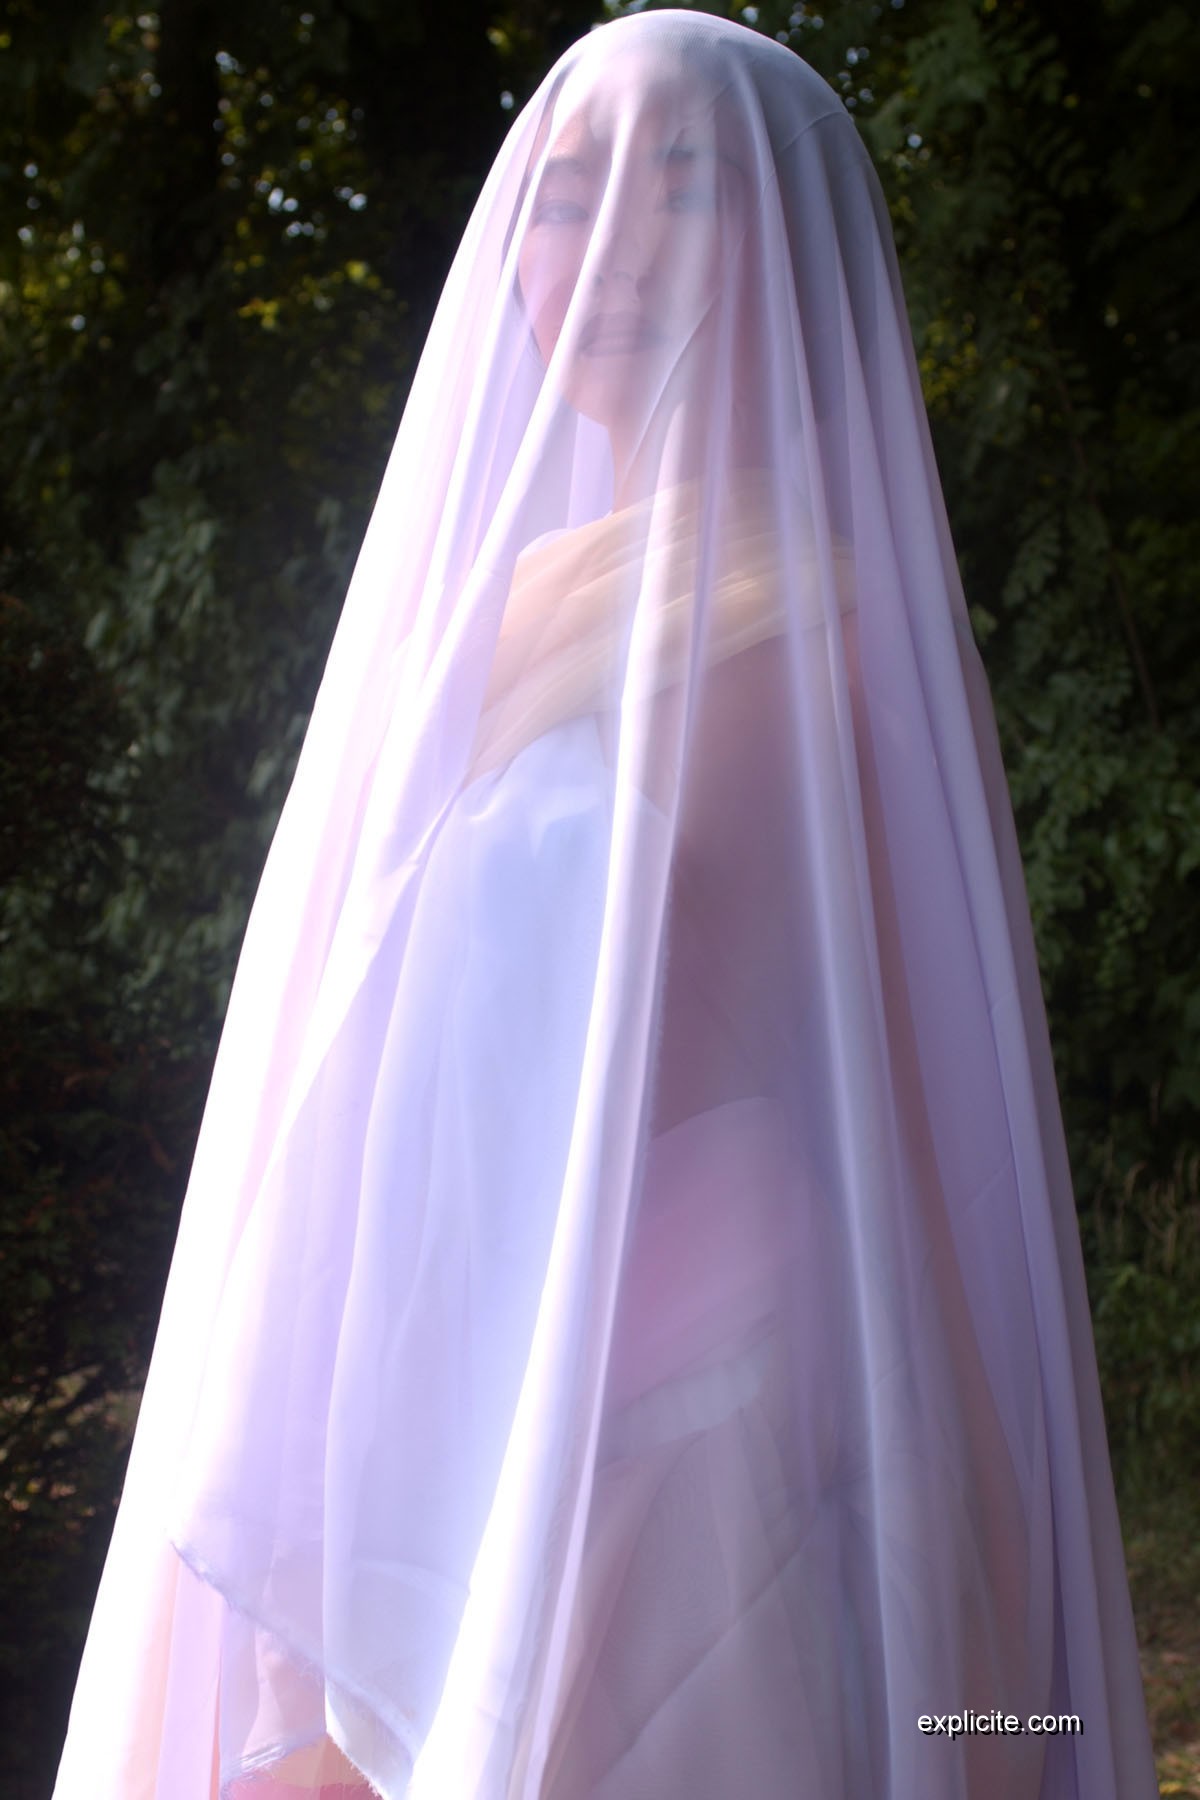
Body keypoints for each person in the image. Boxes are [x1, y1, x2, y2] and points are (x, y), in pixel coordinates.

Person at [53, 12, 1159, 1798]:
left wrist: (988, 1647)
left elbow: (870, 1133)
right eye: (567, 197)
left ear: (794, 254)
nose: (613, 248)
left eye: (686, 186)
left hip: (682, 1492)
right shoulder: (513, 610)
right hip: (459, 1426)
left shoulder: (805, 644)